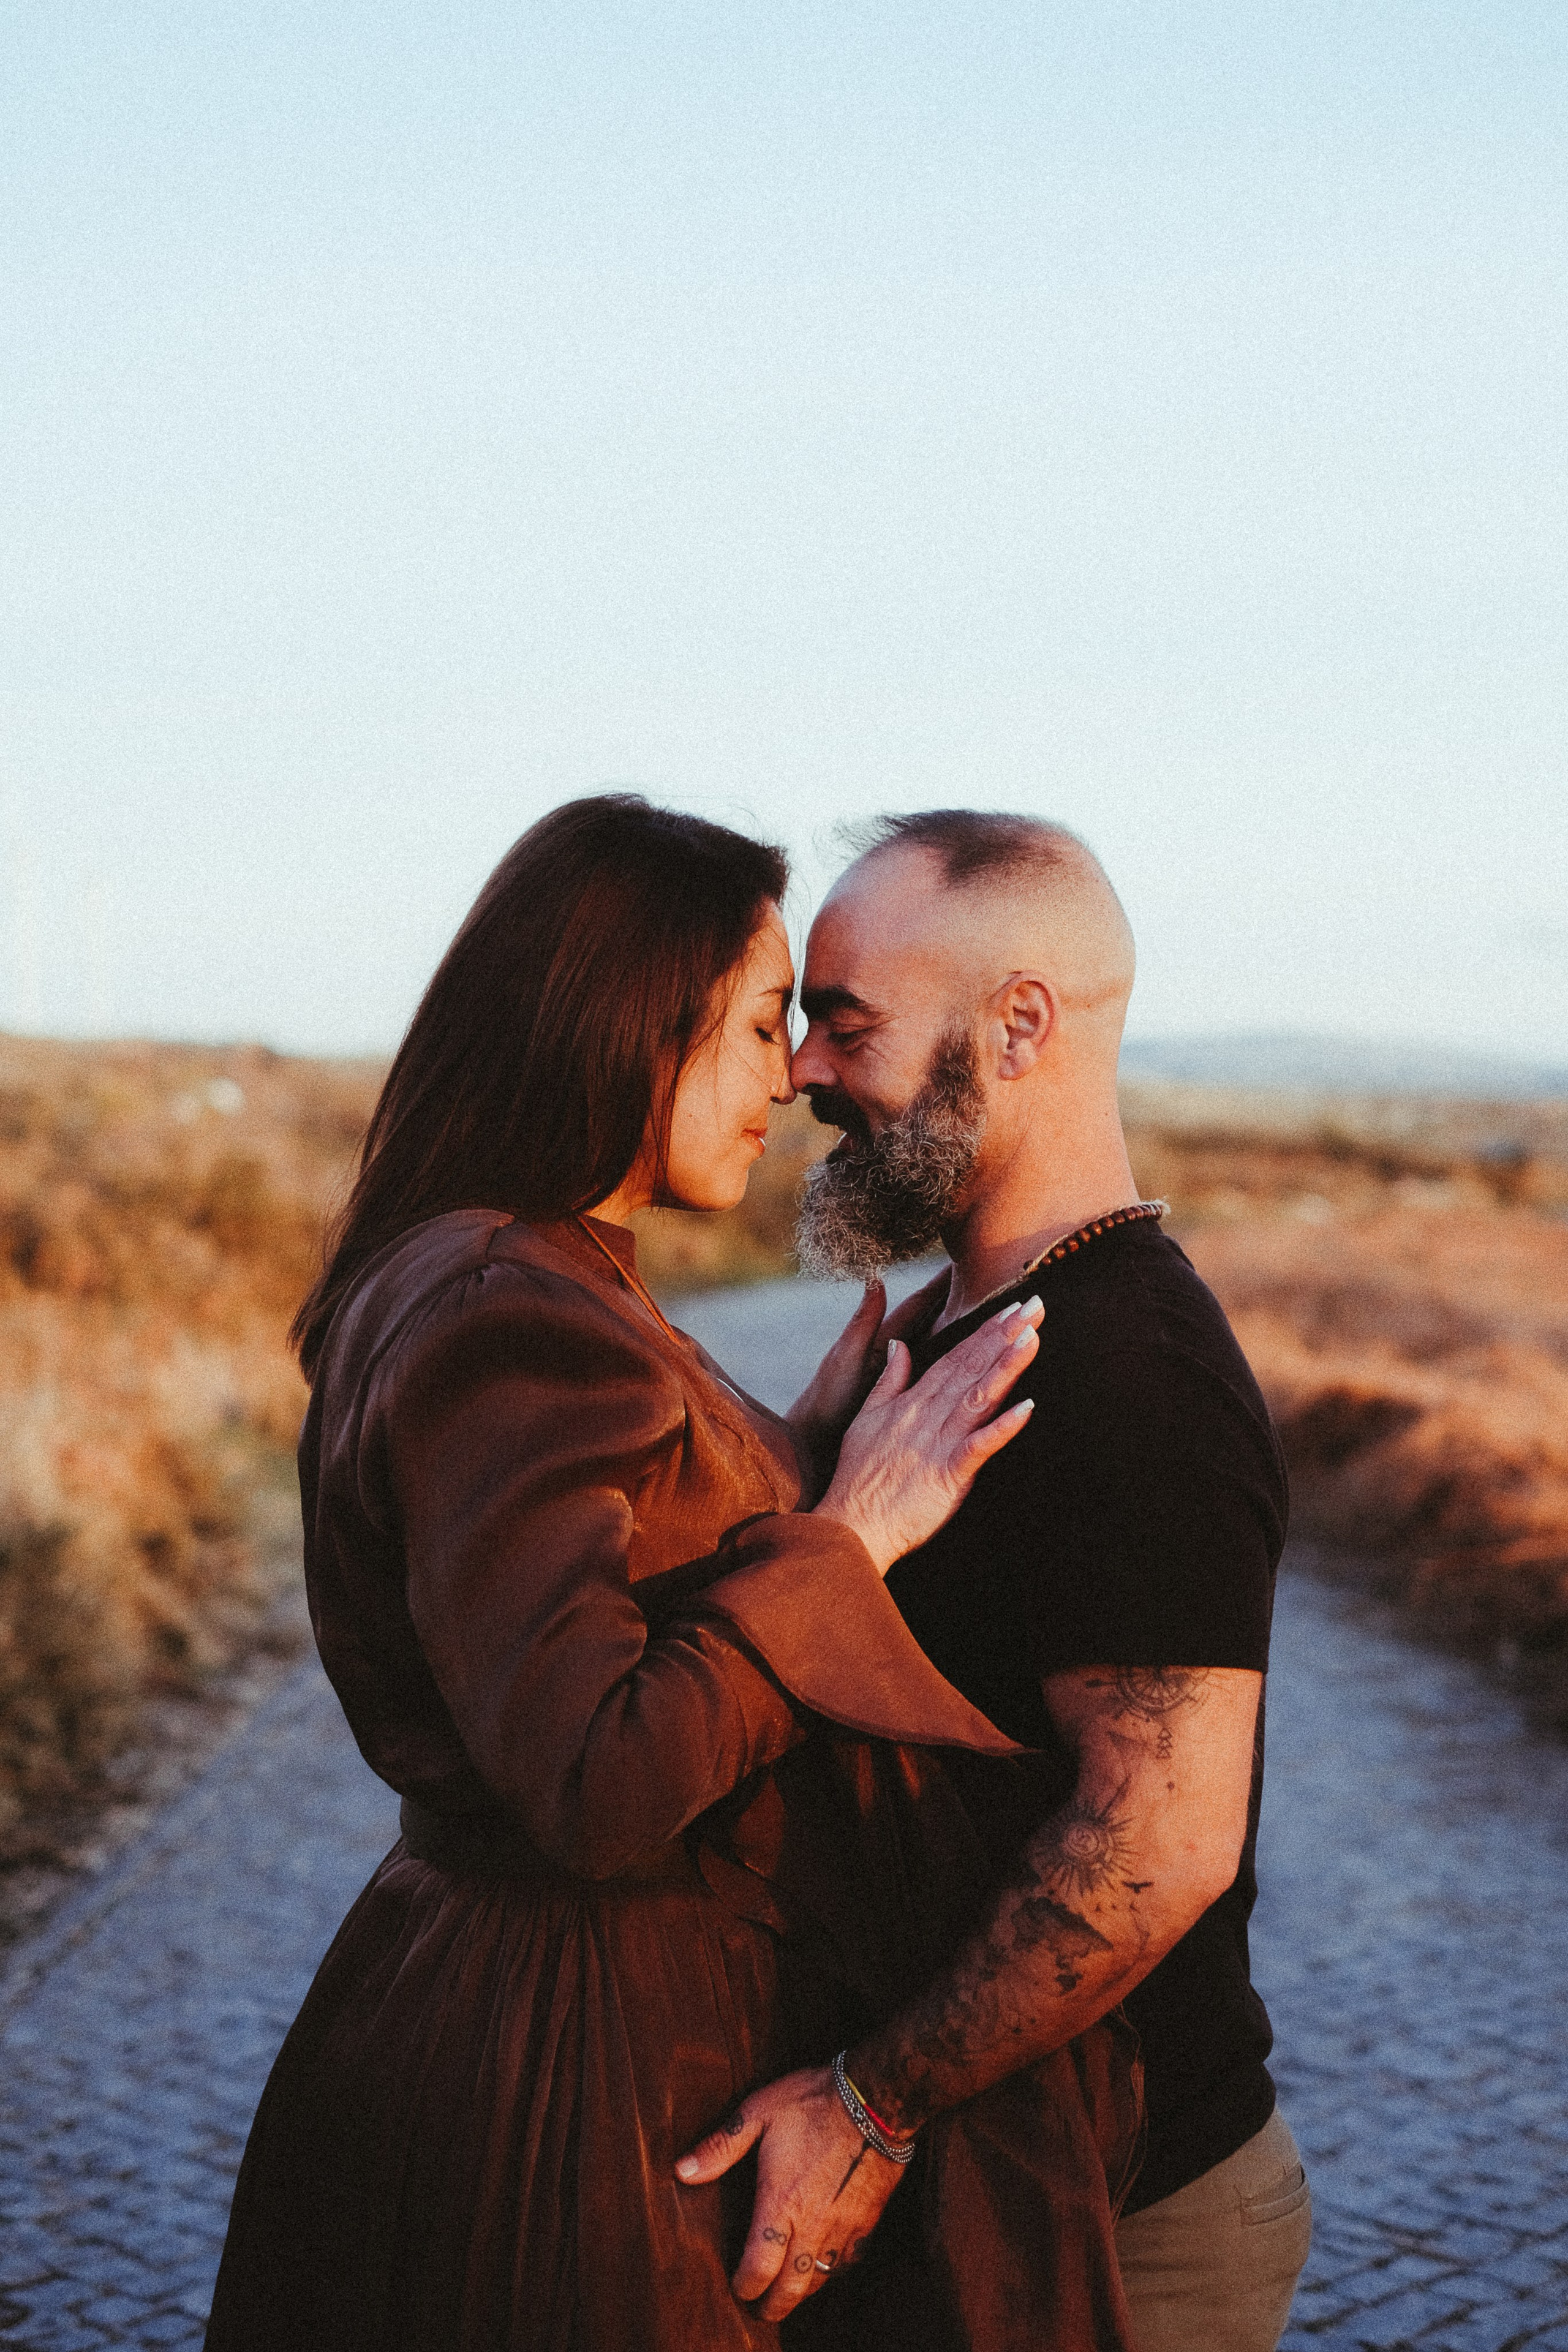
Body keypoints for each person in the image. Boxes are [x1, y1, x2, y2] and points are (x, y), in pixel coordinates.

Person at [203, 795, 1143, 2352]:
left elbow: (619, 1550)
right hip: (582, 2081)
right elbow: (597, 1776)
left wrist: (786, 1453)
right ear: (628, 1027)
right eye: (760, 1023)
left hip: (533, 2018)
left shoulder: (526, 1269)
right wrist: (848, 1538)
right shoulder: (511, 1303)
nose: (789, 1076)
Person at [682, 810, 1311, 2352]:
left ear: (1018, 1025)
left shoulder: (1131, 1376)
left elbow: (1156, 1841)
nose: (801, 1071)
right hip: (1003, 2187)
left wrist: (870, 2104)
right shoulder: (969, 1329)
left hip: (1128, 2223)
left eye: (847, 1025)